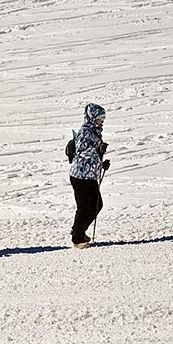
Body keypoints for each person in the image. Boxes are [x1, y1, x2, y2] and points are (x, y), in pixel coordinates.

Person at [69, 103, 110, 248]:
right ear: (92, 117)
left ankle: (77, 230)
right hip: (80, 176)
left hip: (89, 175)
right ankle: (77, 239)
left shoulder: (95, 131)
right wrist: (98, 150)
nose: (102, 121)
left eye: (103, 118)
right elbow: (81, 152)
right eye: (99, 118)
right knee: (85, 207)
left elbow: (92, 154)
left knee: (97, 205)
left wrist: (101, 162)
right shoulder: (86, 131)